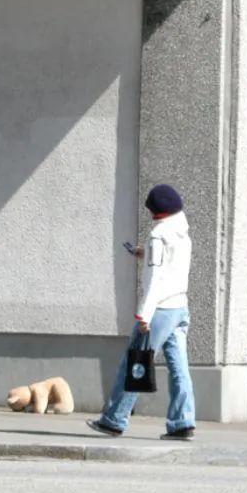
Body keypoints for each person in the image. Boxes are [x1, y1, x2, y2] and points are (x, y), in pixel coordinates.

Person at [87, 184, 196, 441]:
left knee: (134, 363)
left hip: (159, 310)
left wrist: (144, 316)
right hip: (179, 307)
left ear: (156, 212)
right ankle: (183, 422)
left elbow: (157, 278)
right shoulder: (183, 232)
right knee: (179, 367)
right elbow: (171, 264)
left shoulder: (158, 235)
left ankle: (114, 419)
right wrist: (144, 253)